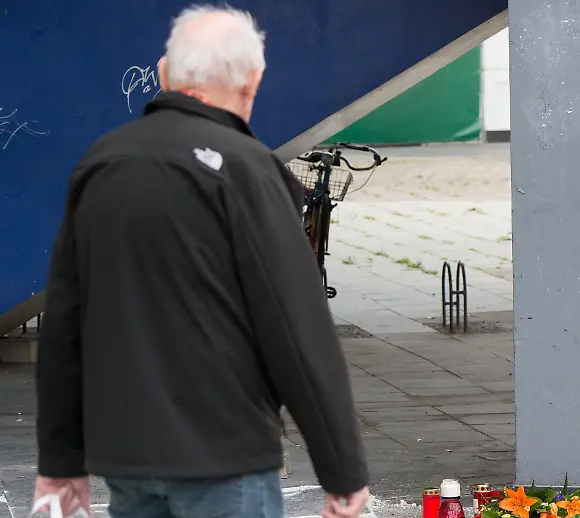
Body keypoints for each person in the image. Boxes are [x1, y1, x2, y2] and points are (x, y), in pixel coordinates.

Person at [33, 4, 369, 518]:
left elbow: (64, 322)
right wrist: (342, 470)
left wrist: (60, 462)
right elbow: (295, 330)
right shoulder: (248, 171)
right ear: (252, 80)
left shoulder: (100, 164)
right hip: (226, 457)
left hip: (127, 459)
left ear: (164, 73)